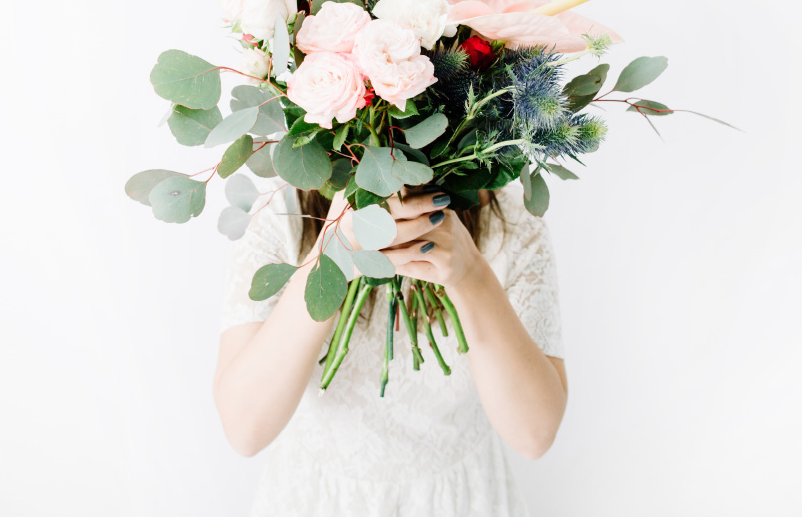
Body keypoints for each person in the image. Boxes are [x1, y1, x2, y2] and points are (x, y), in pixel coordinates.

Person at [213, 180, 568, 516]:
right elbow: (245, 431)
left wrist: (471, 274)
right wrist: (329, 261)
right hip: (318, 500)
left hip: (461, 499)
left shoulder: (513, 221)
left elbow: (533, 436)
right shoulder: (279, 215)